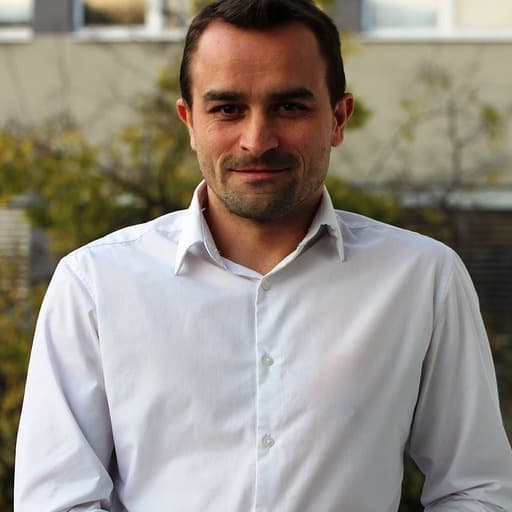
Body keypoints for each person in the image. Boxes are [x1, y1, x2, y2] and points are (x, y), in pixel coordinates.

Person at [14, 0, 512, 510]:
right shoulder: (95, 285)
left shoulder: (423, 279)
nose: (257, 140)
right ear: (189, 122)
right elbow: (57, 500)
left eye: (289, 107)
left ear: (338, 118)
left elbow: (476, 489)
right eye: (227, 109)